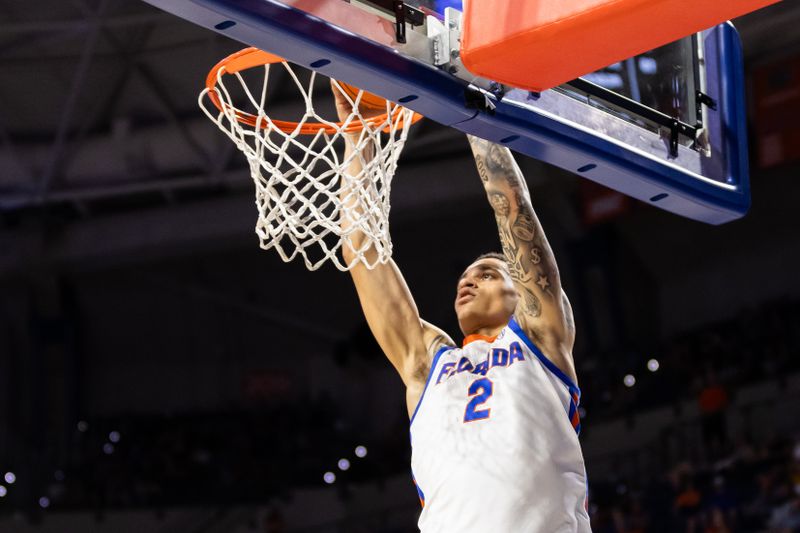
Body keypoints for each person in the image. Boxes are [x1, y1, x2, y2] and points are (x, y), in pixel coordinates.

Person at [333, 83, 591, 532]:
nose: (469, 279)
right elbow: (360, 249)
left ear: (521, 294)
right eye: (466, 276)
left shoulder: (539, 340)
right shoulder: (428, 362)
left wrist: (475, 117)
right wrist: (359, 135)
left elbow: (513, 210)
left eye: (489, 273)